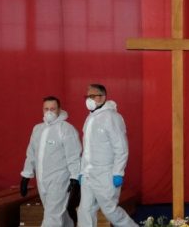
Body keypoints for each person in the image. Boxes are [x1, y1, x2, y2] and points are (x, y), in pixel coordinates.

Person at [77, 84, 138, 227]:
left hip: (106, 174)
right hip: (88, 174)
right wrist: (82, 171)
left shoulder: (112, 118)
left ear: (103, 97)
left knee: (110, 210)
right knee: (84, 210)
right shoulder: (90, 119)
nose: (89, 99)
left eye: (92, 96)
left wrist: (118, 172)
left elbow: (121, 148)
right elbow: (87, 151)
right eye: (87, 96)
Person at [20, 96, 82, 227]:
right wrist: (26, 175)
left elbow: (74, 155)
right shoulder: (38, 129)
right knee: (59, 214)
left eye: (52, 109)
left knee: (52, 217)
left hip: (60, 180)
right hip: (42, 180)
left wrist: (75, 177)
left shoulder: (66, 129)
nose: (49, 112)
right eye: (46, 109)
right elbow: (31, 153)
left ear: (59, 109)